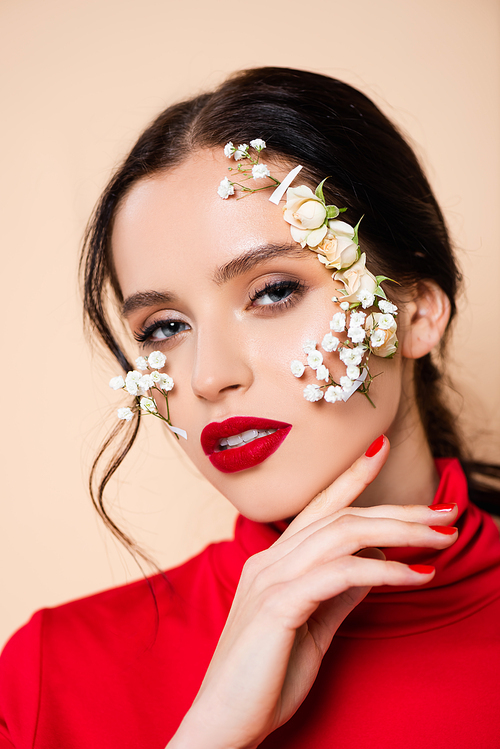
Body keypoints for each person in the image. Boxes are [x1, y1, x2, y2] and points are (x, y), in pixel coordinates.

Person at [1, 67, 499, 749]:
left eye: (272, 291)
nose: (209, 376)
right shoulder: (50, 674)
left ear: (417, 311)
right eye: (163, 327)